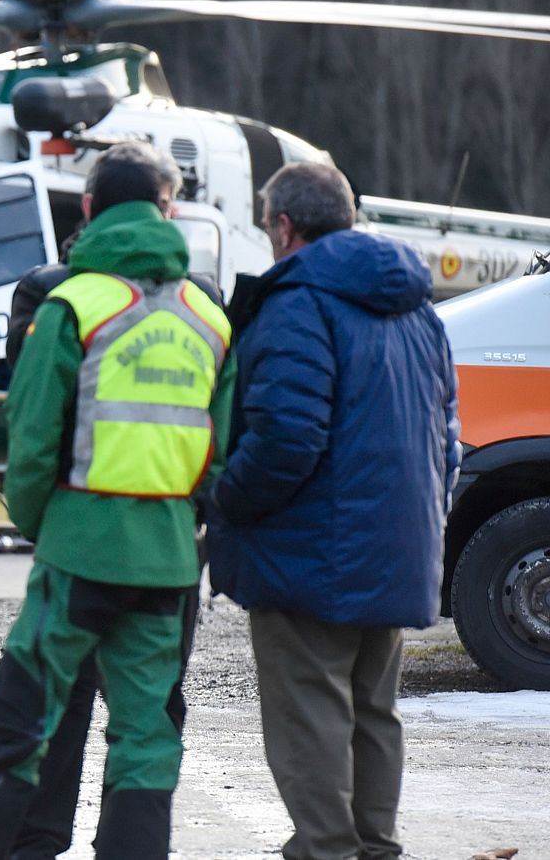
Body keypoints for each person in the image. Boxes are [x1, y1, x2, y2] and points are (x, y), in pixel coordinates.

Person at [0, 141, 235, 859]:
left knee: (19, 723)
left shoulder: (68, 306)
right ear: (168, 212)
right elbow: (217, 455)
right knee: (147, 740)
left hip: (76, 555)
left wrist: (49, 525)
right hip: (167, 564)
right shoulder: (211, 318)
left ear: (90, 208)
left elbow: (29, 444)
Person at [205, 162, 460, 860]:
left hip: (306, 555)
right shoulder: (420, 311)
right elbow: (446, 435)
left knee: (310, 714)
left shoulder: (298, 303)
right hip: (395, 550)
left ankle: (325, 852)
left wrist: (225, 500)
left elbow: (287, 436)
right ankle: (374, 848)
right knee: (374, 712)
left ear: (284, 226)